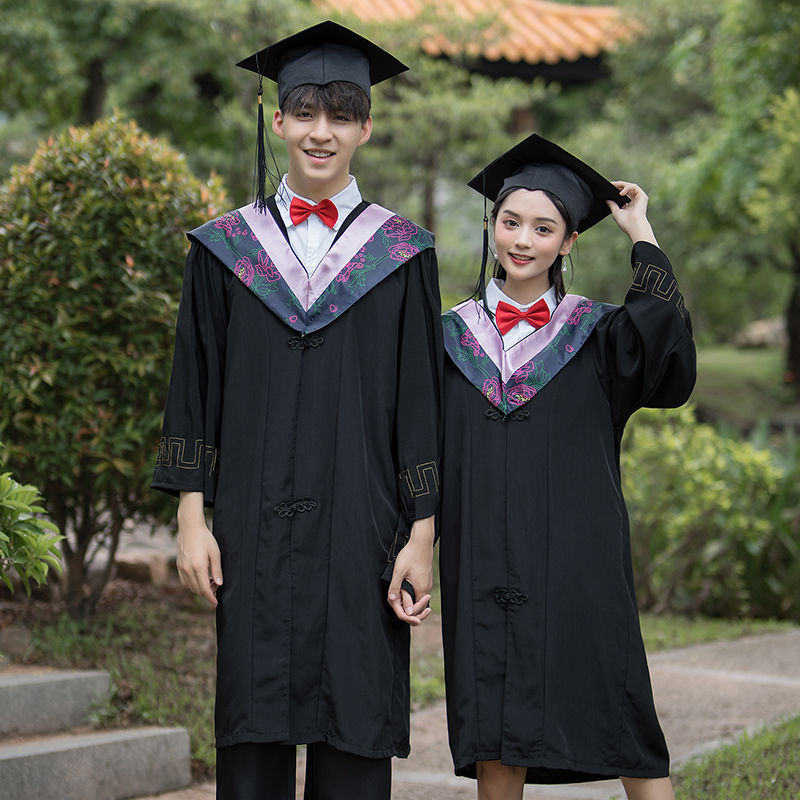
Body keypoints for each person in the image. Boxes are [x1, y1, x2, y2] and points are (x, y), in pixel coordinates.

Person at [152, 21, 442, 800]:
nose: (322, 131)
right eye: (305, 111)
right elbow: (196, 384)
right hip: (251, 523)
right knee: (253, 728)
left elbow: (421, 400)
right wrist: (190, 515)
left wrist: (422, 535)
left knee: (354, 728)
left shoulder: (402, 254)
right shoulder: (223, 249)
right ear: (276, 119)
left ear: (365, 128)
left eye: (341, 113)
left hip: (363, 525)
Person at [438, 134, 696, 800]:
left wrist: (639, 228)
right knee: (495, 719)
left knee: (619, 702)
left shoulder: (601, 336)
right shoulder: (447, 338)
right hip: (485, 557)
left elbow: (664, 335)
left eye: (544, 227)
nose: (523, 239)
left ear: (569, 241)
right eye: (511, 221)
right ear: (493, 226)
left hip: (580, 560)